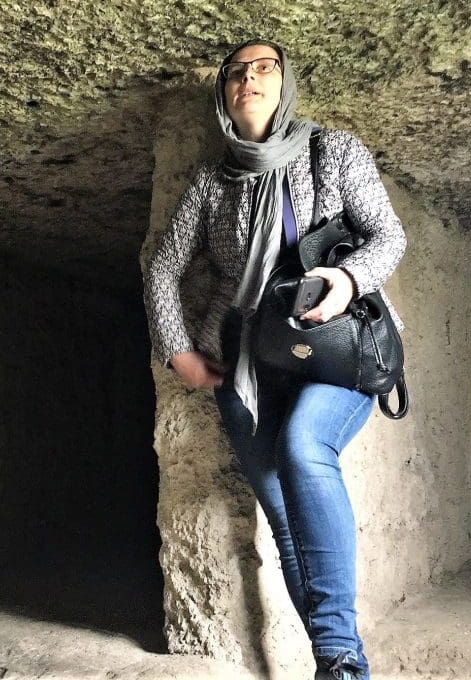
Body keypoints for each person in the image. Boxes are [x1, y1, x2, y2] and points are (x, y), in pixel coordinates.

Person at [142, 39, 406, 680]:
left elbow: (388, 234)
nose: (249, 79)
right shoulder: (213, 182)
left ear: (284, 85)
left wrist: (346, 280)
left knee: (304, 446)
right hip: (248, 362)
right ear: (224, 94)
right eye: (236, 72)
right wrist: (177, 348)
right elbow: (165, 267)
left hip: (339, 350)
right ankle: (332, 663)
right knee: (285, 524)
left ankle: (346, 662)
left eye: (265, 69)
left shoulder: (332, 151)